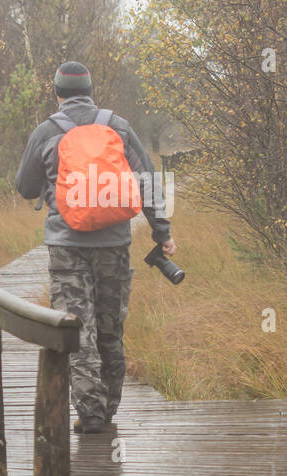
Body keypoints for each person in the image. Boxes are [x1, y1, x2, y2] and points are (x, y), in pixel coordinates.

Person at [15, 61, 174, 434]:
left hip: (66, 245)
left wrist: (50, 188)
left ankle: (91, 414)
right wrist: (161, 232)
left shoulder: (46, 131)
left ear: (57, 93)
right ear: (90, 89)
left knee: (75, 327)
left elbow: (24, 186)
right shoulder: (118, 126)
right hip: (114, 243)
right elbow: (148, 180)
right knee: (109, 326)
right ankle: (110, 406)